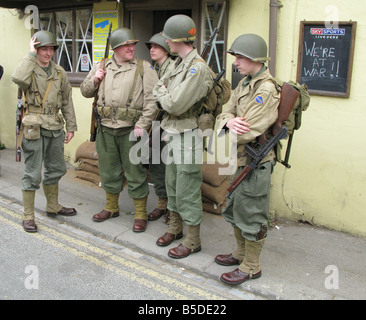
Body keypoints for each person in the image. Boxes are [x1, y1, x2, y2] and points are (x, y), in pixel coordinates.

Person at [215, 34, 280, 284]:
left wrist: (229, 125)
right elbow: (225, 114)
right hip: (240, 158)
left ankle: (252, 265)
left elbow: (248, 131)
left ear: (255, 59)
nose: (236, 62)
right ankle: (241, 253)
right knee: (234, 207)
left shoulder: (266, 89)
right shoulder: (244, 84)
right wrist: (229, 121)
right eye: (236, 57)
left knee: (252, 213)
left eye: (240, 57)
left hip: (256, 161)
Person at [80, 27, 158, 233]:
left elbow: (153, 100)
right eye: (127, 45)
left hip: (131, 130)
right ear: (115, 48)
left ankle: (140, 213)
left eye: (133, 45)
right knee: (108, 171)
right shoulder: (102, 65)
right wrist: (94, 79)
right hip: (105, 129)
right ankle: (111, 207)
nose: (131, 48)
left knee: (135, 172)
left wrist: (143, 124)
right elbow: (85, 92)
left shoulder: (144, 68)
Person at [153, 15, 214, 259]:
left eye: (168, 37)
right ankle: (175, 229)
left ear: (178, 39)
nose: (166, 41)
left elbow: (175, 104)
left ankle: (193, 240)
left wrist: (162, 94)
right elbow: (162, 88)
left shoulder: (197, 68)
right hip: (174, 131)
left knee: (187, 187)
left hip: (189, 134)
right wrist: (163, 93)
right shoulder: (180, 64)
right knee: (173, 183)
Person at [12, 30, 78, 233]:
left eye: (50, 49)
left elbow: (67, 100)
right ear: (36, 50)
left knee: (56, 168)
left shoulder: (59, 72)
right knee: (32, 173)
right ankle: (28, 215)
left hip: (55, 126)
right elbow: (17, 78)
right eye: (43, 49)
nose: (48, 53)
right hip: (34, 126)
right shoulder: (29, 69)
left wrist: (71, 126)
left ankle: (52, 206)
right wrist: (30, 55)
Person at [145, 33, 176, 222]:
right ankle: (162, 204)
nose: (152, 49)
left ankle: (173, 209)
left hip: (171, 122)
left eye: (156, 46)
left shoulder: (173, 68)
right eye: (151, 46)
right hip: (156, 122)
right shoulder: (154, 68)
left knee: (171, 168)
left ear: (166, 48)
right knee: (156, 165)